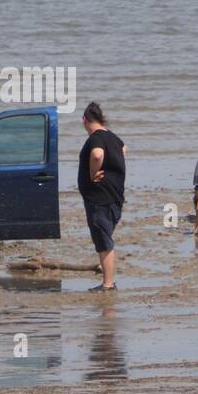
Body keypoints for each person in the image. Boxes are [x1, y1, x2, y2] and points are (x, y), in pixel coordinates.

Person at [78, 102, 126, 292]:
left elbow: (97, 155)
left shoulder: (95, 138)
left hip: (100, 198)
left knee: (103, 240)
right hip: (114, 196)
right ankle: (108, 279)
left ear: (85, 120)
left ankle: (108, 284)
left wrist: (92, 173)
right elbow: (124, 149)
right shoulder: (113, 137)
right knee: (105, 237)